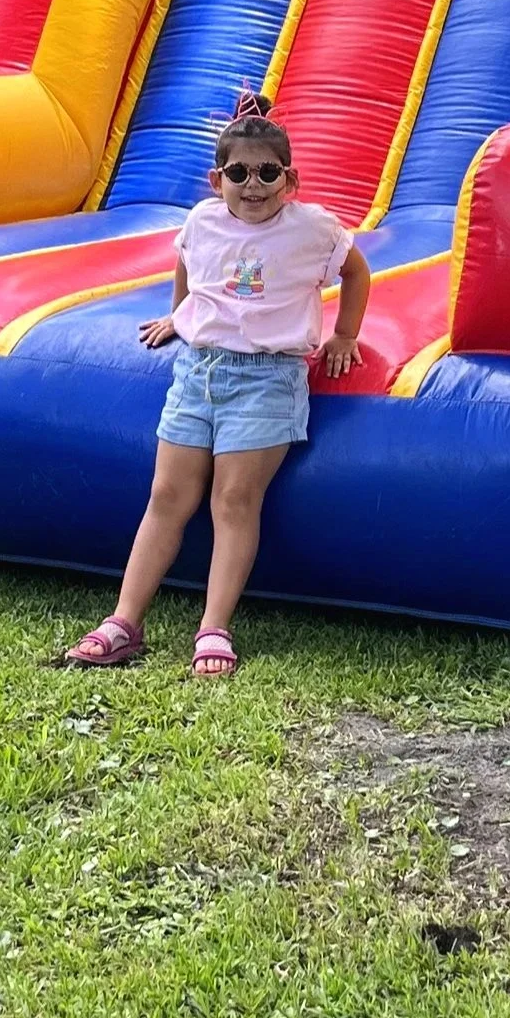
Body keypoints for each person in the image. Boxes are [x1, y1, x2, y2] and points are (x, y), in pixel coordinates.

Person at [63, 94, 370, 677]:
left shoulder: (312, 228)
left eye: (267, 173)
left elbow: (355, 270)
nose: (252, 185)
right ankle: (125, 621)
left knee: (233, 499)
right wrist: (178, 314)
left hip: (267, 377)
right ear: (217, 178)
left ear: (291, 180)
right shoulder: (202, 220)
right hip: (198, 373)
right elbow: (187, 261)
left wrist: (344, 334)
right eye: (238, 173)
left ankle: (214, 627)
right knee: (166, 496)